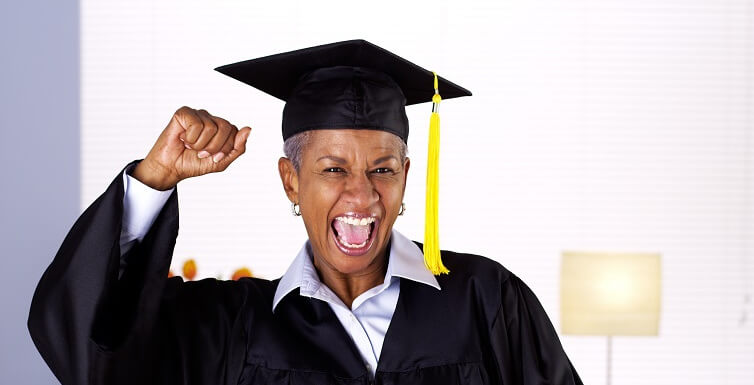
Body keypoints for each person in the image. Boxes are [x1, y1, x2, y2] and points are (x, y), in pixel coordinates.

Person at [28, 40, 583, 385]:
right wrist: (153, 181)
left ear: (408, 177)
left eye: (383, 170)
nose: (362, 198)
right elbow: (90, 357)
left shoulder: (486, 301)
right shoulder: (230, 326)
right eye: (334, 170)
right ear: (291, 181)